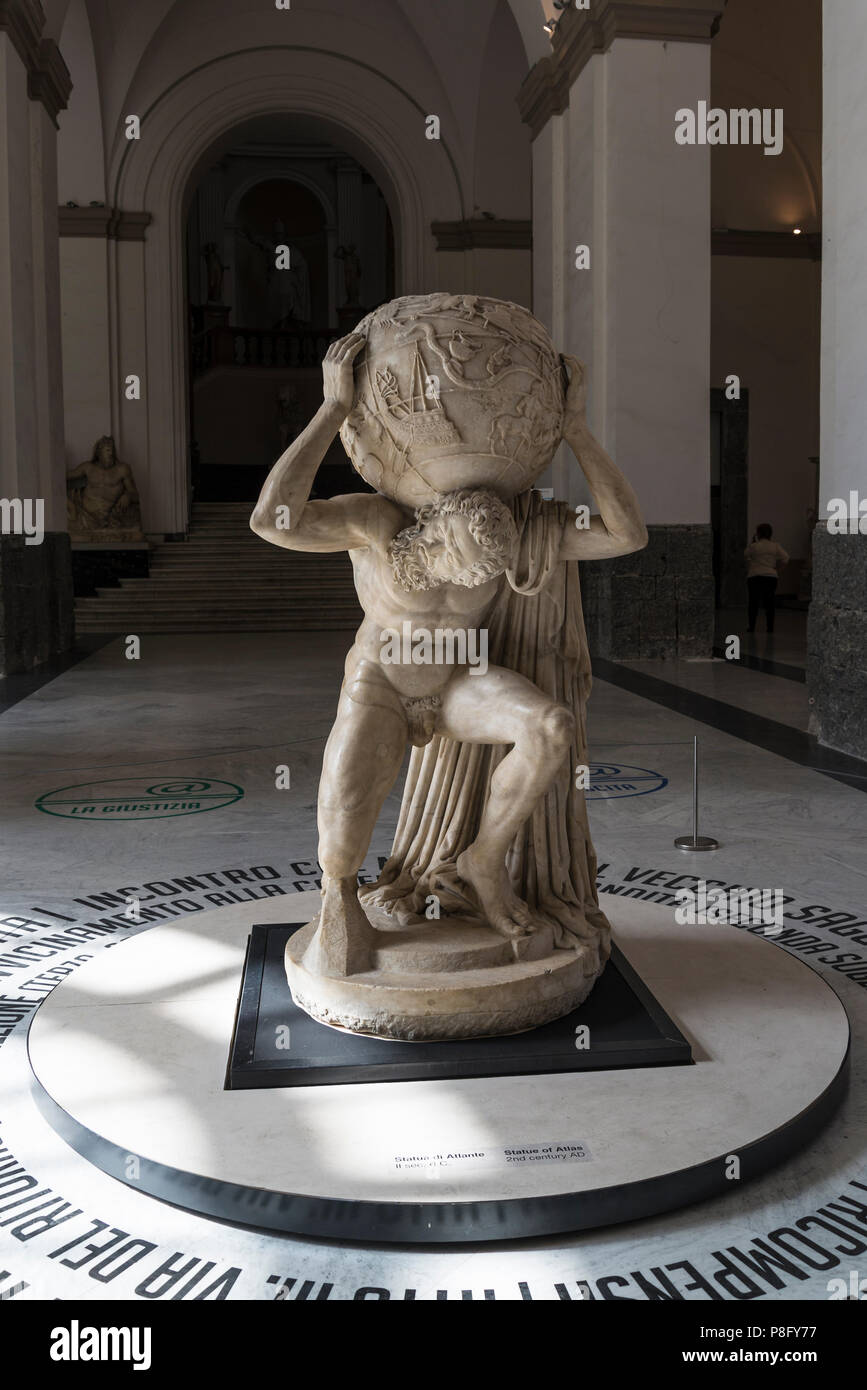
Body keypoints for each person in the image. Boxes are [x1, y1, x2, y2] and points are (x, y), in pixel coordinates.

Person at [250, 332, 647, 972]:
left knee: (549, 726)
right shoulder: (377, 523)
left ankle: (484, 862)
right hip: (381, 683)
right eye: (447, 560)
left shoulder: (512, 532)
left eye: (473, 578)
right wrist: (331, 408)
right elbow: (273, 520)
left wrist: (575, 428)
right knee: (344, 815)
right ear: (432, 527)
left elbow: (627, 534)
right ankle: (337, 899)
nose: (457, 580)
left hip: (459, 680)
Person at [745, 523, 788, 633]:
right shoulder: (775, 546)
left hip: (755, 576)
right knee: (770, 603)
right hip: (771, 576)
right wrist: (777, 569)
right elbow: (786, 558)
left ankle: (752, 626)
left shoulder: (754, 546)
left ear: (758, 533)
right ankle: (770, 627)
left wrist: (752, 541)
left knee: (753, 603)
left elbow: (746, 554)